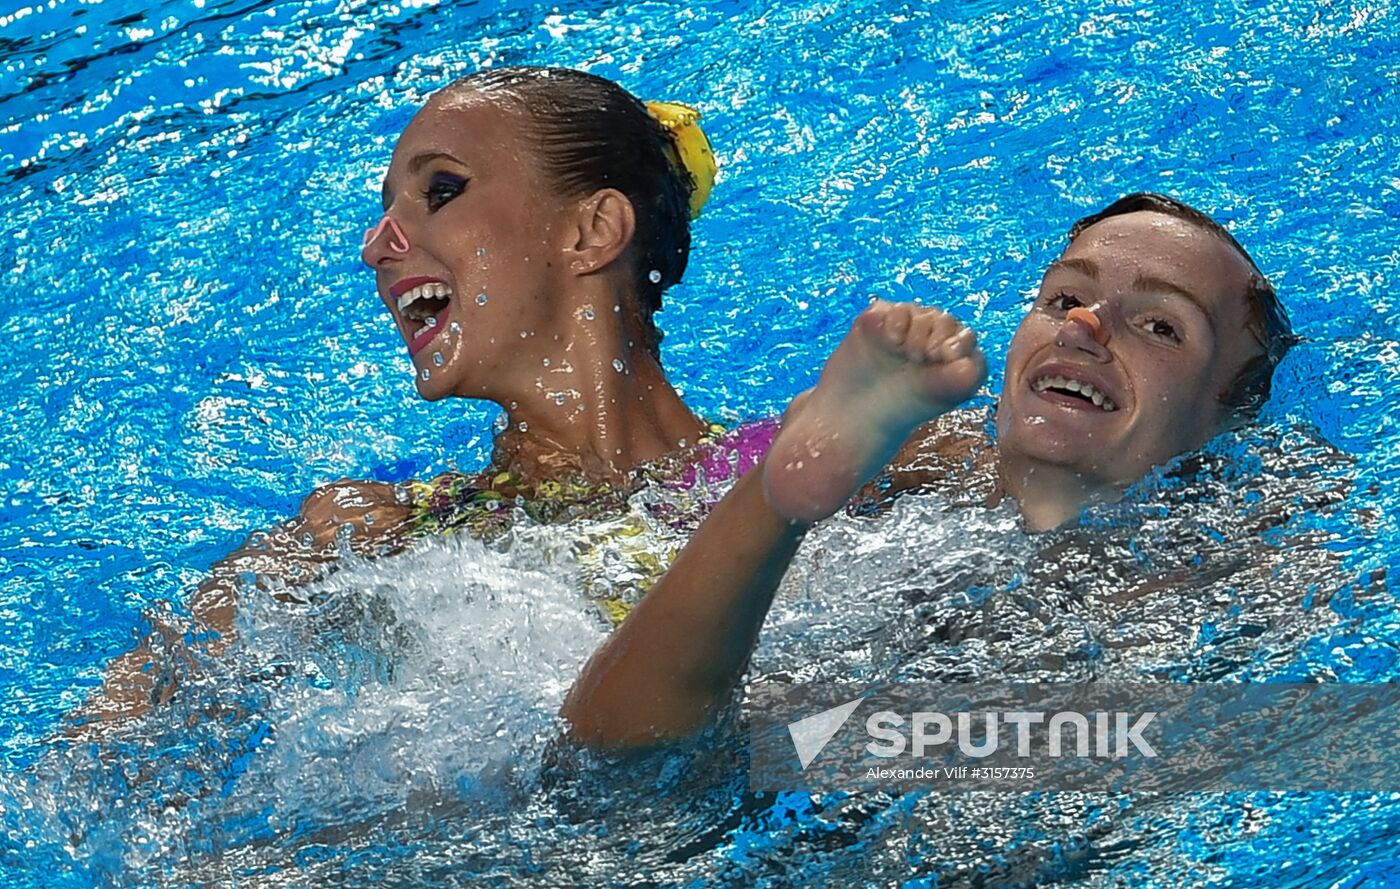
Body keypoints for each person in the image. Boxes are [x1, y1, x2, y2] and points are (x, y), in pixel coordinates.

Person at [82, 67, 772, 725]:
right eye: (384, 211)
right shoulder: (369, 533)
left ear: (591, 232)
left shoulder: (800, 463)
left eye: (441, 191)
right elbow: (112, 739)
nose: (375, 247)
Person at [561, 192, 1299, 747]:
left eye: (1161, 324)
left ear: (1227, 414)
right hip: (819, 731)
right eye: (1064, 297)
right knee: (633, 762)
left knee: (665, 766)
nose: (1083, 325)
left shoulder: (1250, 560)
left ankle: (775, 505)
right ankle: (777, 499)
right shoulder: (927, 452)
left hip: (918, 774)